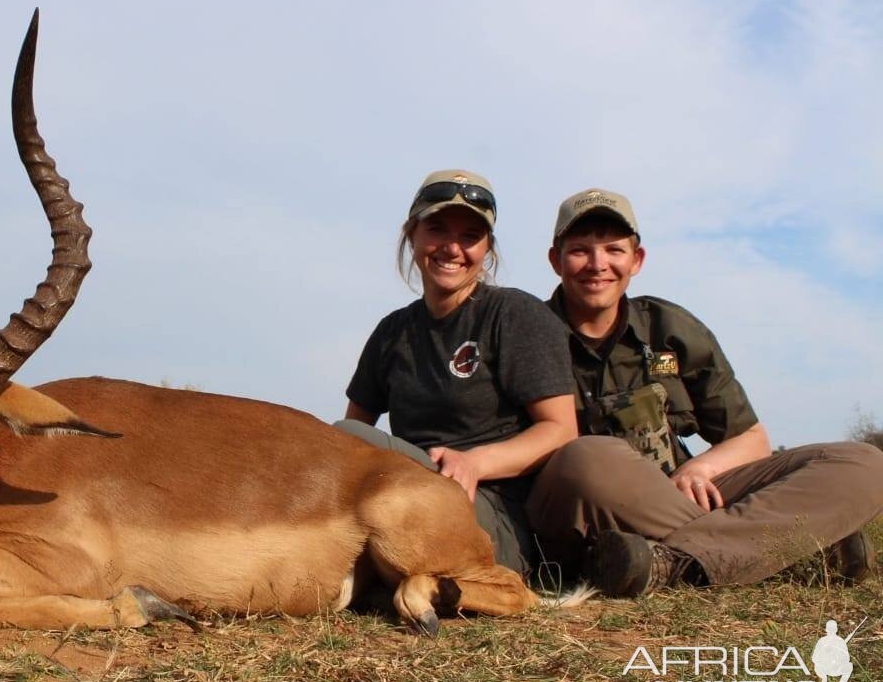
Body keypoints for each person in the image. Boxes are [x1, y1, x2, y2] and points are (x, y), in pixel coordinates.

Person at [528, 188, 883, 596]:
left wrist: (700, 469)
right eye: (580, 251)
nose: (598, 264)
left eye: (614, 250)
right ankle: (785, 554)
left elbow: (751, 439)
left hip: (674, 494)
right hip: (576, 506)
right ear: (555, 260)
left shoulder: (669, 328)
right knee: (587, 457)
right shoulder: (525, 331)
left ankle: (668, 562)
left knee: (863, 462)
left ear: (636, 260)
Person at [338, 170, 578, 578]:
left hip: (491, 511)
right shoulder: (392, 332)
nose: (452, 248)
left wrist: (474, 464)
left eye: (470, 236)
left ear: (487, 248)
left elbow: (561, 430)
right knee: (342, 440)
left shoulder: (513, 314)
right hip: (414, 492)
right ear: (411, 235)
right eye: (437, 230)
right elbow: (350, 429)